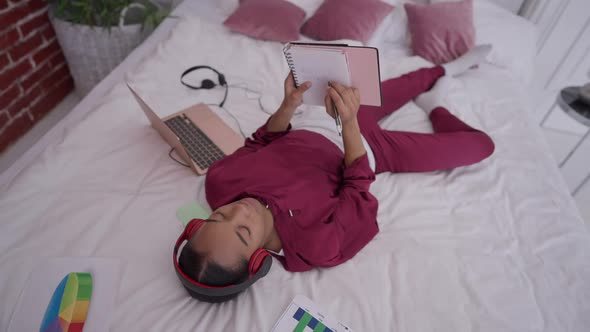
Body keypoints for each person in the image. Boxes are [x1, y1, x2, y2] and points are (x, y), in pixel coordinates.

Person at [178, 46, 495, 290]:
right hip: (364, 149)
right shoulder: (315, 245)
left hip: (316, 119)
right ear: (258, 259)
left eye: (219, 216)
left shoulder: (220, 185)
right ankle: (436, 105)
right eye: (244, 231)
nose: (239, 211)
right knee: (481, 146)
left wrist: (289, 105)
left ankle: (444, 69)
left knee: (401, 84)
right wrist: (349, 123)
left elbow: (261, 141)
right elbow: (358, 191)